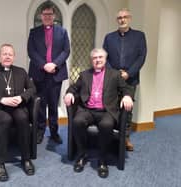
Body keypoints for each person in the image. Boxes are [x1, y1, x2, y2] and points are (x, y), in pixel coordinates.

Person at [64, 48, 133, 178]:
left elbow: (126, 88)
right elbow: (73, 87)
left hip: (106, 111)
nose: (98, 60)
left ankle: (102, 159)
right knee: (77, 121)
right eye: (95, 58)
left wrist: (127, 96)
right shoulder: (84, 74)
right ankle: (82, 153)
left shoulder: (114, 74)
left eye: (100, 57)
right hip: (88, 110)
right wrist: (69, 93)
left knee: (106, 125)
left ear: (105, 59)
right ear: (91, 60)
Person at [0, 44, 36, 182]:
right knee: (5, 120)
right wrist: (1, 99)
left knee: (22, 118)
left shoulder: (21, 71)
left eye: (10, 54)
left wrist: (21, 97)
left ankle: (26, 159)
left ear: (14, 57)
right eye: (5, 54)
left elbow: (32, 88)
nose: (7, 56)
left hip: (17, 107)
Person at [103, 8, 147, 151]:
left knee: (127, 109)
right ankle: (109, 134)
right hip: (113, 79)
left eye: (125, 17)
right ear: (117, 20)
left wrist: (128, 73)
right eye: (120, 17)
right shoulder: (109, 37)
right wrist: (115, 74)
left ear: (130, 18)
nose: (122, 19)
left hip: (130, 79)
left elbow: (141, 57)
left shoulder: (139, 36)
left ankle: (125, 137)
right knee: (111, 106)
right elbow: (105, 57)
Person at [27, 2, 70, 144]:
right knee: (40, 105)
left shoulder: (62, 32)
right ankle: (40, 131)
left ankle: (54, 132)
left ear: (54, 15)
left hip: (56, 74)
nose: (47, 17)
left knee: (53, 104)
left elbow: (66, 51)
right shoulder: (34, 32)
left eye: (50, 14)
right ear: (41, 16)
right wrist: (44, 65)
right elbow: (31, 51)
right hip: (39, 73)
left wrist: (54, 64)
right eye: (45, 14)